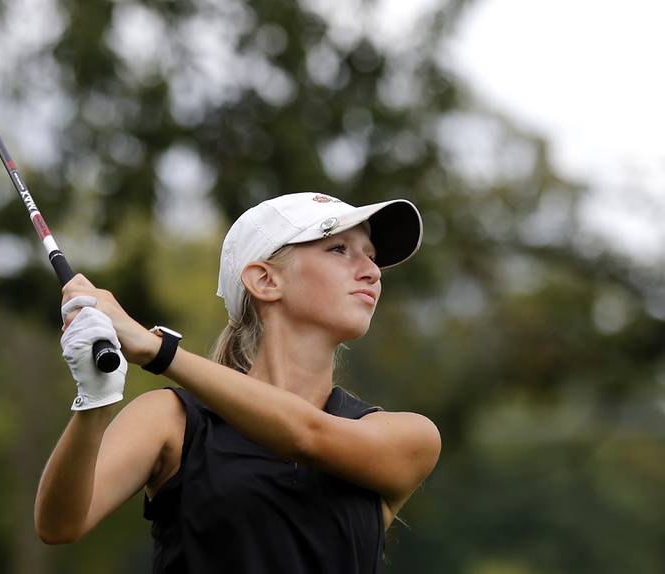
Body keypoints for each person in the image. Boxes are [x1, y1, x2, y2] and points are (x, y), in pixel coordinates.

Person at [34, 192, 441, 573]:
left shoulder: (408, 437)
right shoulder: (172, 421)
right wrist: (95, 401)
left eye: (371, 257)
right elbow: (60, 525)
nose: (372, 271)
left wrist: (158, 350)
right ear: (265, 280)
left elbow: (306, 435)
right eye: (339, 249)